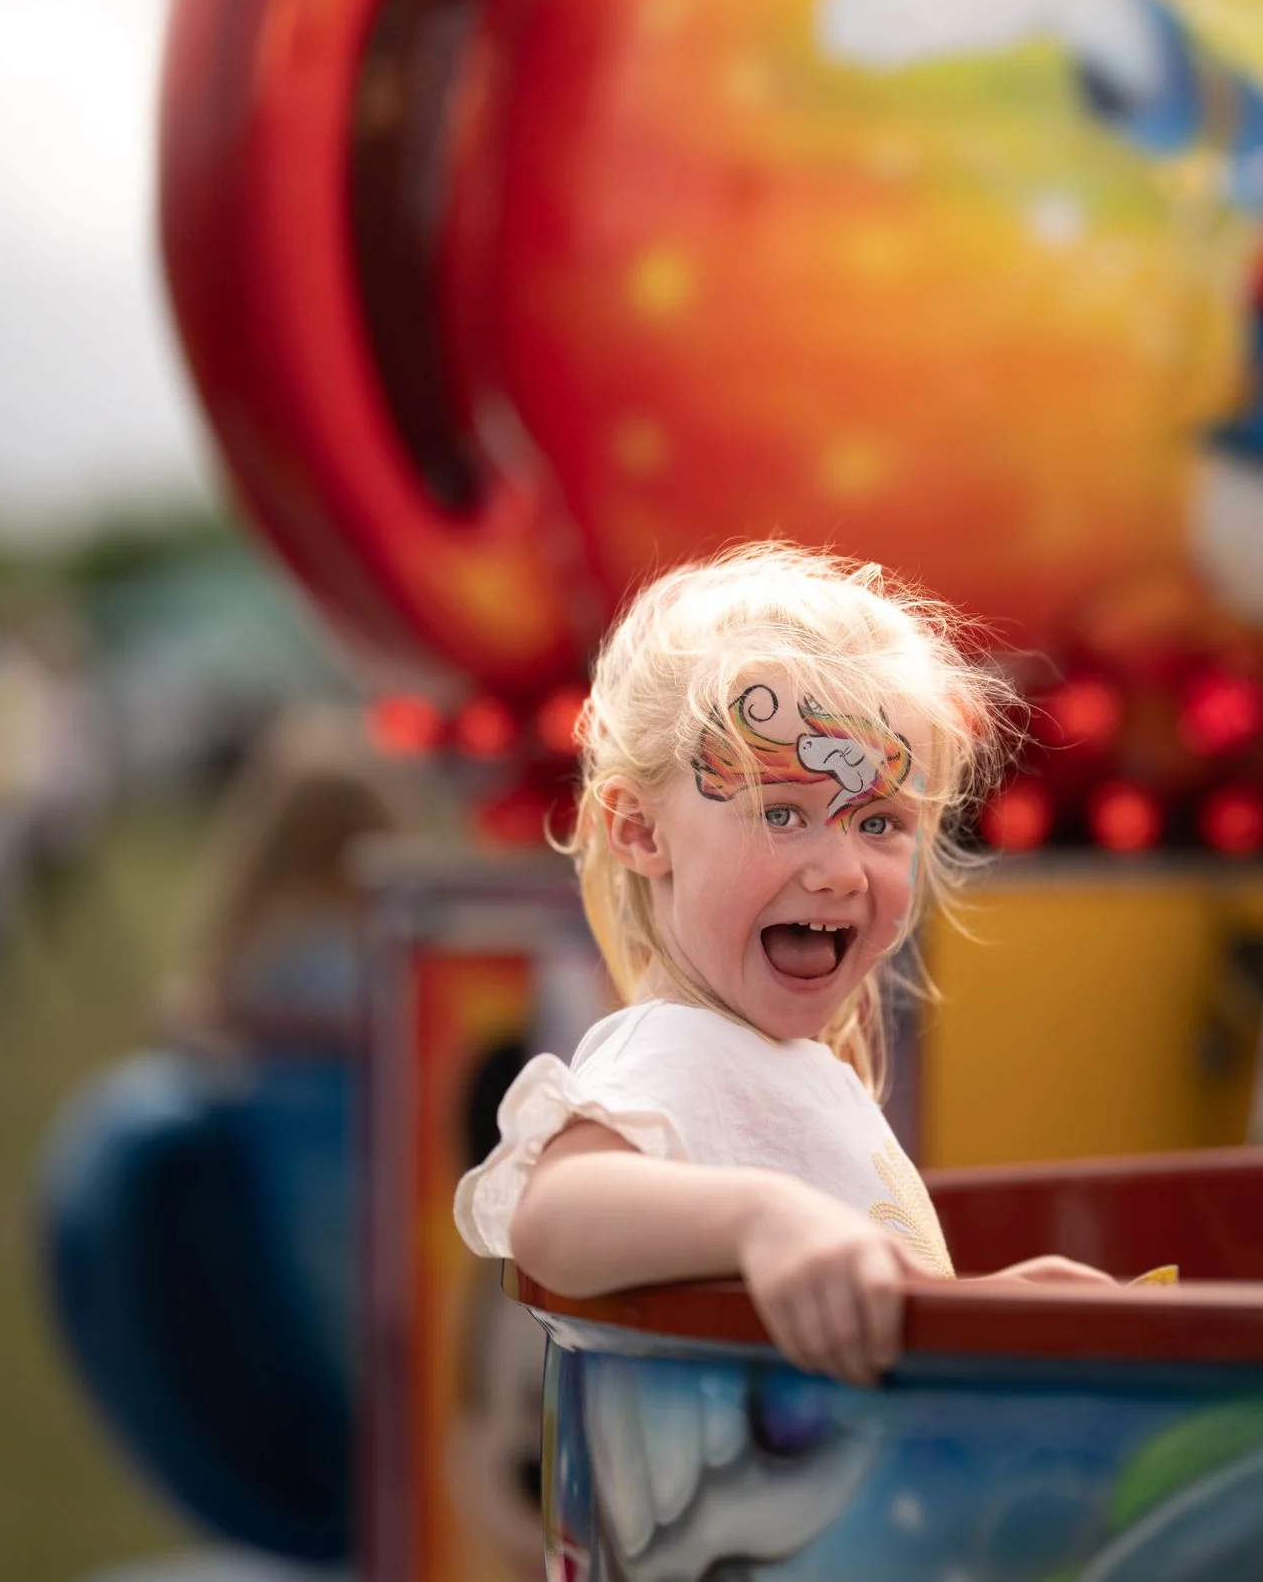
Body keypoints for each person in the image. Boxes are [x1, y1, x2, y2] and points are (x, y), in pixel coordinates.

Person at [454, 544, 1115, 1388]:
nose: (841, 868)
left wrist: (968, 1308)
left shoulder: (780, 1066)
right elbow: (554, 1211)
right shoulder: (675, 1051)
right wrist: (767, 1220)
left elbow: (826, 1315)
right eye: (782, 812)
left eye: (879, 821)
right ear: (641, 830)